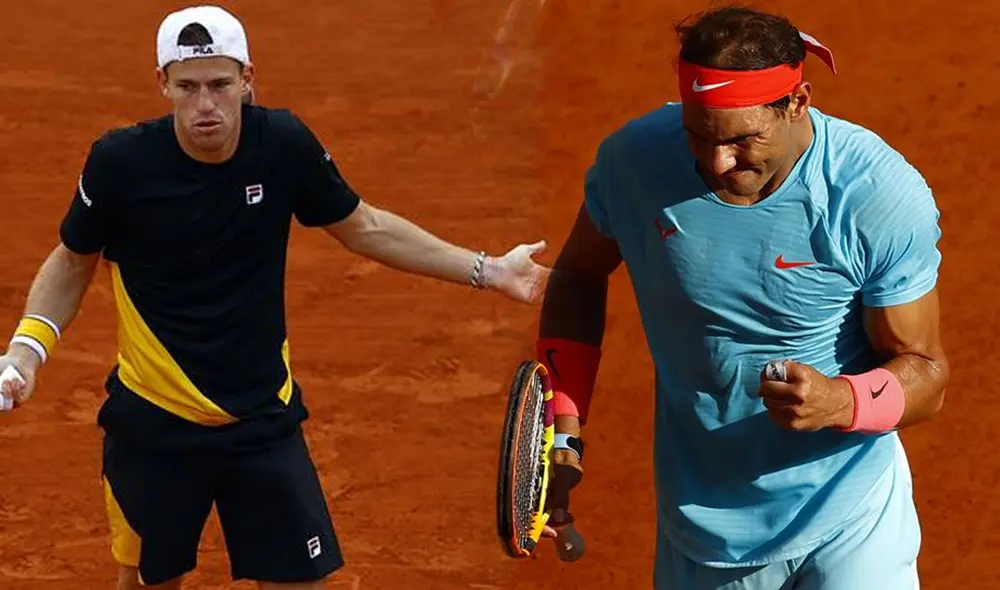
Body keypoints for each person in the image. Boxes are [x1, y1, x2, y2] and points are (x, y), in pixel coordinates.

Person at [0, 5, 549, 589]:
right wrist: (26, 352)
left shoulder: (281, 144)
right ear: (162, 84)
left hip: (262, 420)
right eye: (187, 87)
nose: (205, 104)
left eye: (220, 84)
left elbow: (364, 227)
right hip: (154, 427)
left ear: (248, 79)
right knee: (147, 584)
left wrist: (489, 270)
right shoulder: (121, 163)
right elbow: (73, 259)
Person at [534, 6, 948, 590]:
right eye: (698, 135)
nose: (717, 162)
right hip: (707, 529)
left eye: (741, 139)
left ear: (797, 102)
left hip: (851, 515)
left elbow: (925, 372)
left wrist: (840, 401)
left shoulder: (872, 194)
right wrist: (563, 429)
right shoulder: (635, 163)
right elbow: (578, 276)